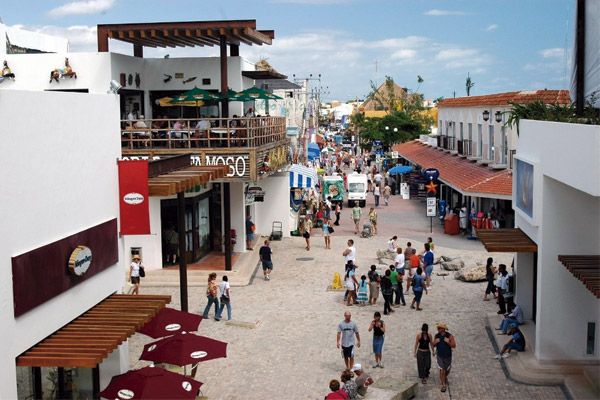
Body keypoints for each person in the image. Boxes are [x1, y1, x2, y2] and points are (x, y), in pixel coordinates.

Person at [433, 322, 456, 393]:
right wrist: (435, 342)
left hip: (448, 356)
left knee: (447, 370)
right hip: (440, 356)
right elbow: (433, 345)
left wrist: (448, 342)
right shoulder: (436, 336)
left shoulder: (450, 336)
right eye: (438, 328)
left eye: (439, 328)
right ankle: (443, 385)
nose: (438, 329)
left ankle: (444, 377)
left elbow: (454, 345)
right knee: (442, 370)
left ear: (443, 329)